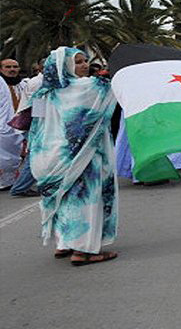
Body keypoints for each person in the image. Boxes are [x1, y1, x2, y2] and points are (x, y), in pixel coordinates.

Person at [29, 47, 119, 266]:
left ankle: (65, 243)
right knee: (87, 200)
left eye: (85, 60)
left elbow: (35, 126)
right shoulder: (89, 87)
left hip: (48, 156)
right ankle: (84, 250)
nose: (84, 65)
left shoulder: (43, 92)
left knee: (64, 199)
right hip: (82, 156)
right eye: (77, 62)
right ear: (64, 66)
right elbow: (115, 89)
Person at [9, 58, 45, 197]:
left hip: (35, 124)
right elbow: (38, 110)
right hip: (33, 125)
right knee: (35, 156)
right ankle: (20, 187)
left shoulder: (42, 81)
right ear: (41, 68)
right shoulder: (39, 83)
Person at [1, 58, 27, 191]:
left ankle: (15, 180)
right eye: (8, 67)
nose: (12, 69)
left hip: (22, 124)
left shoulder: (24, 84)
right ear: (1, 69)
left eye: (15, 67)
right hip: (4, 126)